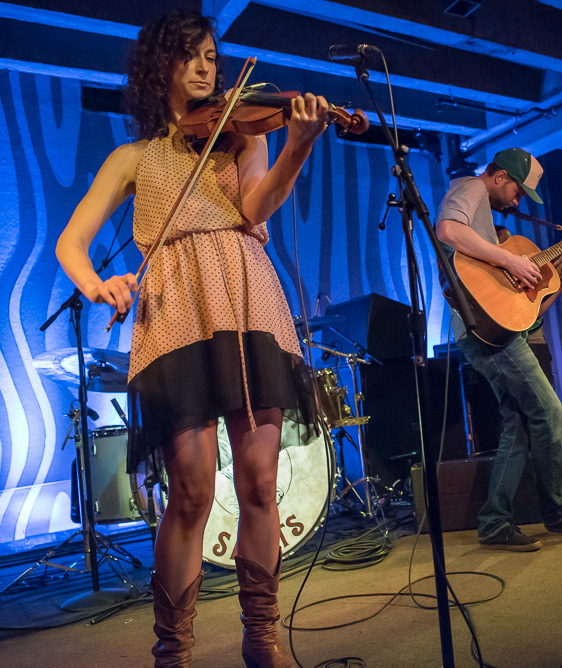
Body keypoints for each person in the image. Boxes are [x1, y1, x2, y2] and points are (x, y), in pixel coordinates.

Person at [56, 10, 325, 667]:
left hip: (248, 302)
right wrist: (100, 285)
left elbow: (256, 210)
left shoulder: (241, 135)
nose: (207, 67)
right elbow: (72, 243)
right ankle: (171, 652)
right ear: (161, 68)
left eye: (211, 55)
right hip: (176, 313)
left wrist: (299, 143)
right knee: (195, 488)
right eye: (191, 56)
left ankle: (261, 638)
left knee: (261, 479)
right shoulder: (133, 158)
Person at [436, 148, 562, 552]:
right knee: (549, 412)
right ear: (499, 177)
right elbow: (447, 230)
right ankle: (560, 512)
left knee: (518, 426)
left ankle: (495, 523)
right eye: (516, 190)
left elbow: (526, 305)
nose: (516, 201)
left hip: (493, 327)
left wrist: (561, 258)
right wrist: (510, 262)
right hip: (484, 331)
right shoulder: (469, 187)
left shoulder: (490, 219)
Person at [494, 224, 562, 386]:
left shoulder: (521, 271)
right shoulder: (496, 280)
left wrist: (559, 289)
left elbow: (536, 310)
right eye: (503, 244)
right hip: (510, 343)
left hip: (535, 338)